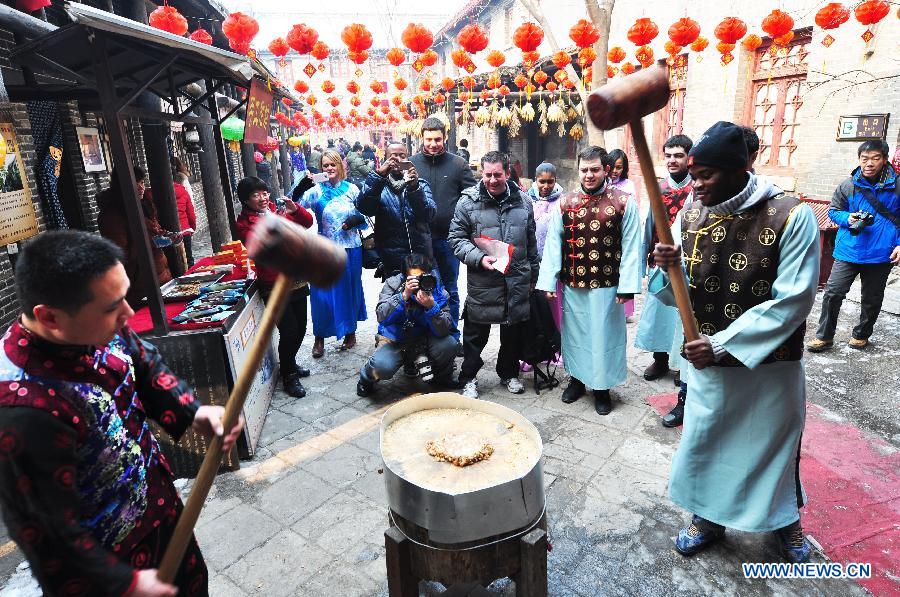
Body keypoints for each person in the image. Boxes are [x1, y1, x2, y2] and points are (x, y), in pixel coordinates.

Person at [0, 231, 243, 596]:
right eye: (113, 307)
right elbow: (48, 535)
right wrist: (122, 584)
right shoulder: (21, 411)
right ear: (49, 317)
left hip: (160, 511)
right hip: (104, 565)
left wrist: (192, 411)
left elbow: (144, 364)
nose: (128, 314)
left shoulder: (98, 326)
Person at [651, 121, 819, 563]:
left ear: (740, 168)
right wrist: (665, 268)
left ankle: (784, 522)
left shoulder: (791, 214)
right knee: (709, 440)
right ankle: (707, 517)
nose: (696, 183)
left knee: (774, 444)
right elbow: (679, 293)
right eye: (693, 172)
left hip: (770, 363)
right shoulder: (691, 213)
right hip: (707, 361)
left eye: (707, 174)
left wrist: (724, 344)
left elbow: (795, 299)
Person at [536, 146, 640, 415]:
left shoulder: (623, 202)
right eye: (584, 170)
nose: (589, 175)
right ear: (579, 170)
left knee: (603, 337)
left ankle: (602, 388)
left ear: (606, 170)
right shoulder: (565, 202)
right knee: (575, 335)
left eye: (595, 169)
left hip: (608, 285)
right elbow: (553, 243)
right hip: (573, 284)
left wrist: (628, 287)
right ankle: (577, 380)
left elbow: (631, 247)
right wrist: (548, 281)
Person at [449, 151, 539, 398]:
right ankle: (469, 377)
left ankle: (508, 373)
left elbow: (531, 243)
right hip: (483, 279)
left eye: (497, 174)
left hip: (516, 278)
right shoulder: (467, 202)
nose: (491, 180)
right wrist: (478, 258)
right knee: (475, 335)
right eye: (487, 174)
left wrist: (533, 276)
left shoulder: (523, 201)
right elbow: (455, 239)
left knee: (512, 334)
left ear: (507, 173)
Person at [808, 140, 900, 352]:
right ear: (859, 160)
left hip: (881, 253)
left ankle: (861, 334)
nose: (869, 163)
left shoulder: (897, 186)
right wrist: (848, 218)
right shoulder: (848, 185)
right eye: (864, 158)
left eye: (875, 158)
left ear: (885, 160)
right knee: (833, 293)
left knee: (872, 298)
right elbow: (834, 210)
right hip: (849, 250)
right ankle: (824, 336)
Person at [235, 177, 315, 398]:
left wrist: (294, 209)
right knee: (288, 331)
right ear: (245, 200)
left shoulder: (277, 209)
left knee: (300, 327)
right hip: (273, 282)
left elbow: (307, 222)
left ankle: (289, 363)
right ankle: (288, 375)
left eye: (264, 193)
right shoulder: (244, 223)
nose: (262, 198)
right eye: (256, 195)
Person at [634, 134, 694, 427]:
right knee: (659, 314)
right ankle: (659, 359)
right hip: (660, 261)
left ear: (689, 158)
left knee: (682, 320)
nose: (673, 160)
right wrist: (645, 258)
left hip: (687, 264)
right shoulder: (657, 188)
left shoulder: (698, 189)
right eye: (668, 155)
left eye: (678, 155)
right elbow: (649, 225)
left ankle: (681, 368)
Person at [411, 117, 477, 343]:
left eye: (437, 139)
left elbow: (471, 198)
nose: (433, 144)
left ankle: (452, 335)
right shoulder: (411, 164)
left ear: (445, 138)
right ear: (422, 138)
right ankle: (426, 334)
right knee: (422, 285)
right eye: (428, 139)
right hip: (419, 240)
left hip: (450, 240)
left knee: (450, 288)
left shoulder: (458, 164)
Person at [299, 149, 369, 358]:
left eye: (333, 165)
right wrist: (304, 184)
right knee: (321, 295)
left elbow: (365, 215)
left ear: (341, 166)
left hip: (351, 248)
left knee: (349, 290)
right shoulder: (315, 191)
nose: (329, 169)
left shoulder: (353, 189)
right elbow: (296, 209)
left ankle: (350, 332)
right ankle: (319, 338)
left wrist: (355, 220)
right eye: (325, 166)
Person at [356, 253, 457, 397]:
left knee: (449, 345)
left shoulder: (436, 288)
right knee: (382, 366)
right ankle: (365, 380)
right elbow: (381, 316)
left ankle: (442, 377)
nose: (419, 282)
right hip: (396, 339)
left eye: (422, 277)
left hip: (425, 338)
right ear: (405, 276)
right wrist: (403, 296)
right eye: (414, 278)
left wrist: (432, 307)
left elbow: (445, 330)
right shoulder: (393, 284)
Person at [98, 165, 178, 306]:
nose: (141, 188)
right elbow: (119, 255)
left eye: (142, 183)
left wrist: (168, 236)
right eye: (136, 184)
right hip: (140, 284)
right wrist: (153, 243)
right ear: (123, 187)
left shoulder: (144, 204)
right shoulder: (112, 216)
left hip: (162, 274)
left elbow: (155, 230)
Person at [357, 141, 435, 278]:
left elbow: (428, 215)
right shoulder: (379, 185)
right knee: (396, 297)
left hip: (420, 257)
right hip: (391, 259)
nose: (398, 160)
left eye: (402, 156)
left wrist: (414, 189)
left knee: (423, 296)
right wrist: (379, 176)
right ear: (385, 160)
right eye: (393, 157)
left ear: (408, 159)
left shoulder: (420, 185)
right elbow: (365, 208)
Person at [526, 162, 564, 369]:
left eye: (550, 181)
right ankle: (535, 349)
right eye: (542, 181)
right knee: (535, 310)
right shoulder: (526, 200)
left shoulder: (563, 201)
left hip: (554, 264)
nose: (546, 186)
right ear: (535, 180)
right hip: (533, 264)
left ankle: (556, 348)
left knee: (555, 308)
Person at [607, 149, 638, 321]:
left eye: (619, 167)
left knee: (622, 269)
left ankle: (624, 310)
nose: (615, 171)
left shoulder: (628, 186)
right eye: (613, 167)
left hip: (621, 232)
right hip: (606, 232)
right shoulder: (601, 183)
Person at [171, 157, 197, 266]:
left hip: (170, 234)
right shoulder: (183, 191)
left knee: (174, 262)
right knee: (189, 258)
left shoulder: (156, 194)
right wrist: (192, 228)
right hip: (185, 230)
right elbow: (191, 213)